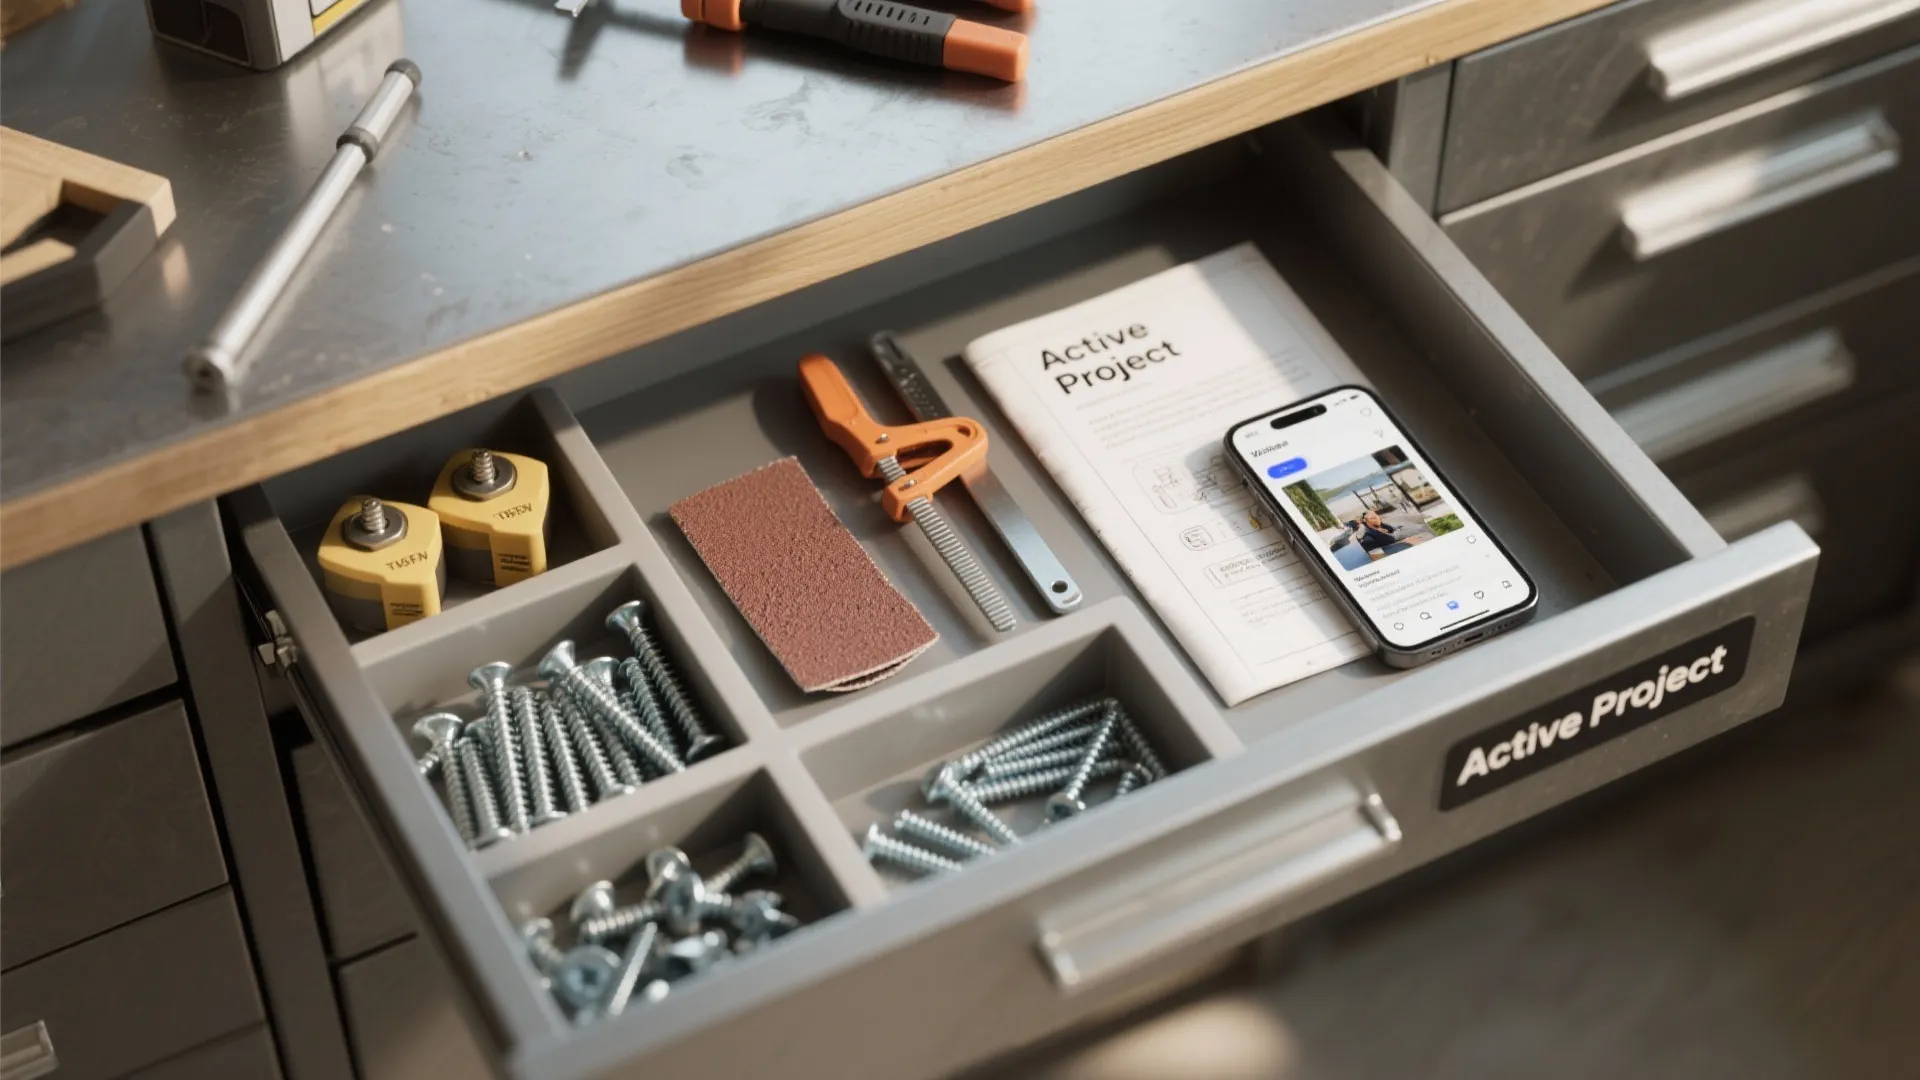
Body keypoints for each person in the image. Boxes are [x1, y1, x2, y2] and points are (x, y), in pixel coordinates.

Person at [1345, 510, 1423, 558]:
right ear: (1358, 524)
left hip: (1384, 539)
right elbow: (1389, 538)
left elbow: (1383, 529)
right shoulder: (1365, 533)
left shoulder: (1362, 532)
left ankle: (1398, 529)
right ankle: (1398, 529)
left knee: (1395, 530)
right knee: (1399, 533)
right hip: (1388, 540)